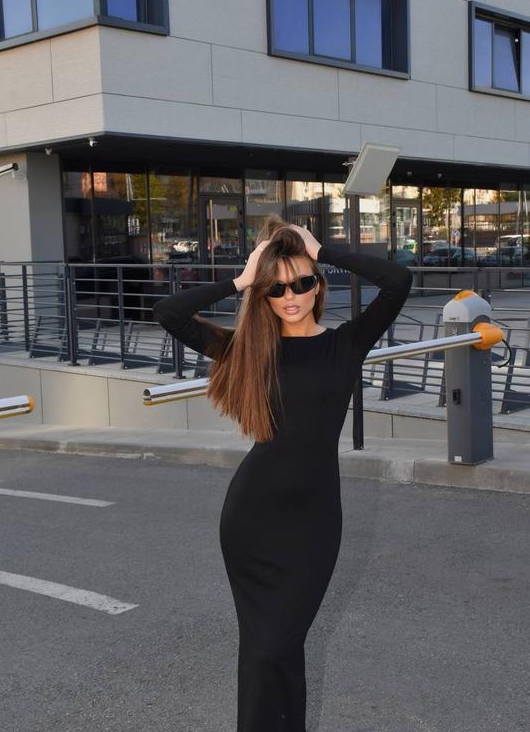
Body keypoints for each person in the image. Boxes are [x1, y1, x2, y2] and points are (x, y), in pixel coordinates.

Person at [153, 214, 413, 731]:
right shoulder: (250, 350)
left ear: (318, 285)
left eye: (301, 283)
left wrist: (322, 252)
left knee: (281, 644)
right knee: (265, 647)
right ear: (264, 295)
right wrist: (241, 279)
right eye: (276, 288)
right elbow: (169, 313)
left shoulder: (346, 343)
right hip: (253, 520)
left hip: (315, 522)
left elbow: (397, 281)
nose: (290, 296)